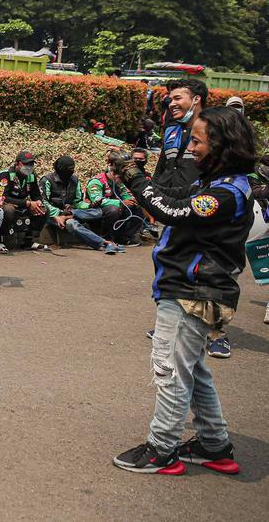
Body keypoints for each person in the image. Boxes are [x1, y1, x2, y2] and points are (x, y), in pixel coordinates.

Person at [109, 106, 255, 475]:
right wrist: (137, 177)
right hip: (191, 288)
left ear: (222, 145)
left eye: (198, 140)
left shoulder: (224, 194)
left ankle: (162, 449)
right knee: (193, 368)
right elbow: (168, 196)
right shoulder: (213, 183)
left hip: (194, 292)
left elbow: (173, 212)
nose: (190, 147)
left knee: (170, 370)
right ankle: (213, 444)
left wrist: (133, 177)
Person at [155, 78, 206, 191]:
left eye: (177, 98)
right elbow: (160, 169)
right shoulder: (170, 131)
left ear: (196, 99)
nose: (172, 104)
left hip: (193, 202)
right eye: (171, 100)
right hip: (164, 199)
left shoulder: (212, 132)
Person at [0, 151, 49, 251]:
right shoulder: (5, 175)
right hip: (5, 205)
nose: (29, 167)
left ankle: (28, 241)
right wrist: (27, 203)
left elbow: (36, 194)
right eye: (26, 164)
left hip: (23, 205)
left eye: (31, 164)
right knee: (8, 210)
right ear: (18, 164)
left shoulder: (31, 176)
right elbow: (2, 197)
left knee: (43, 209)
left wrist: (38, 202)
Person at [84, 159, 144, 247]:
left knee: (138, 208)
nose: (122, 179)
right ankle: (106, 238)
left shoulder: (118, 182)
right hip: (97, 213)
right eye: (120, 177)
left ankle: (124, 238)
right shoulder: (96, 182)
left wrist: (132, 200)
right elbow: (97, 200)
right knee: (113, 210)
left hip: (116, 211)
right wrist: (121, 203)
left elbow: (125, 194)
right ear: (113, 173)